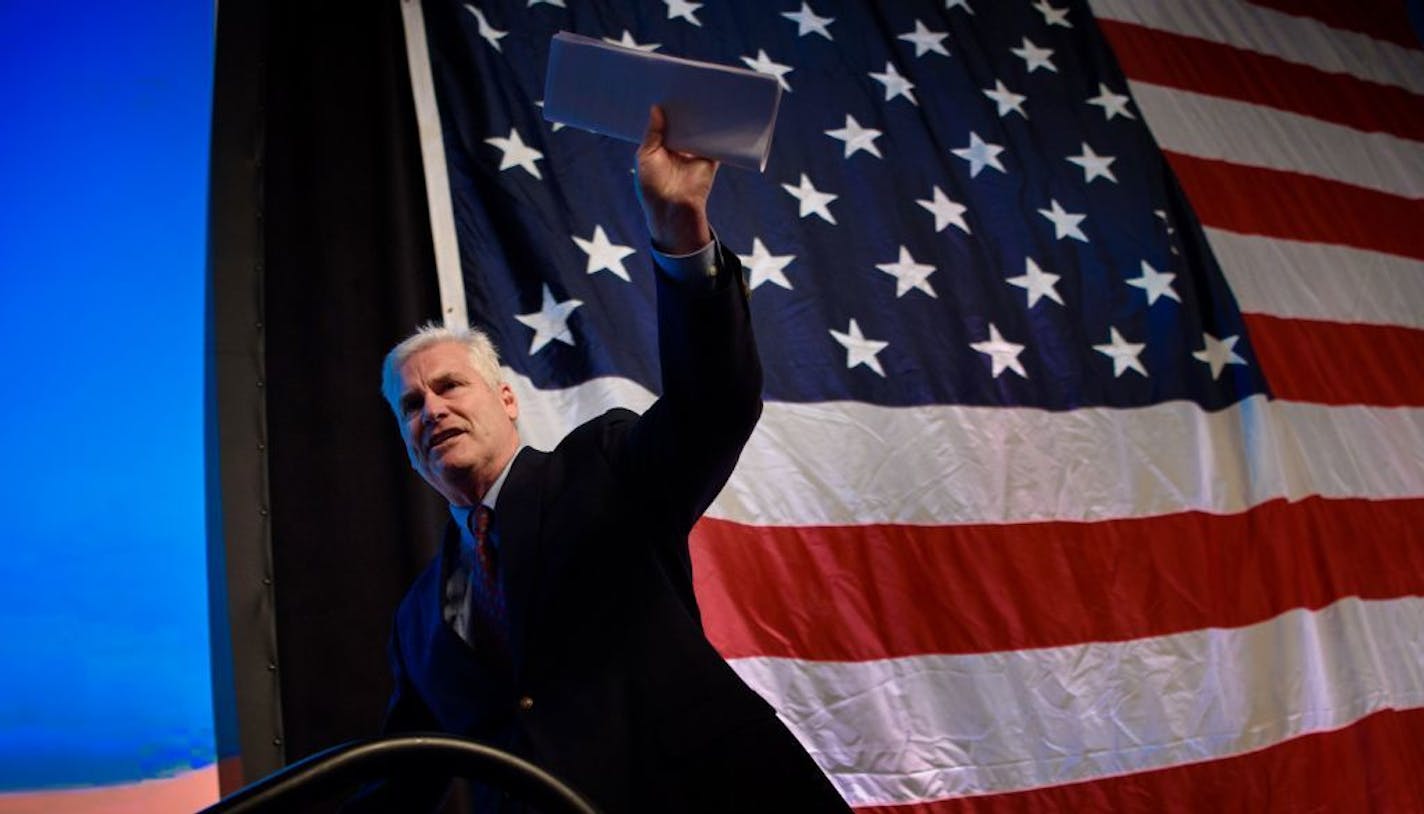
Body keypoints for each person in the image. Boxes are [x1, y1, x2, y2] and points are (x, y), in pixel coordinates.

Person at [364, 108, 852, 812]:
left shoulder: (603, 467)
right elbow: (397, 782)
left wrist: (680, 231)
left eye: (449, 387)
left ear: (506, 399)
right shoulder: (416, 621)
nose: (431, 410)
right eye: (410, 406)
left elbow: (712, 404)